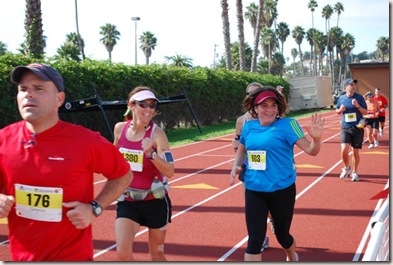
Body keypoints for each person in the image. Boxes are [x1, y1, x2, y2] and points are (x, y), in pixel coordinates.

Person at [0, 63, 133, 261]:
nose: (28, 94)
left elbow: (123, 174)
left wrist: (95, 207)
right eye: (23, 89)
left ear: (59, 99)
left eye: (38, 88)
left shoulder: (86, 141)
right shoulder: (3, 139)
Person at [229, 86, 324, 261]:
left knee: (282, 236)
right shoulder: (249, 127)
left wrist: (316, 139)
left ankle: (291, 256)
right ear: (255, 108)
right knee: (255, 239)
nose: (270, 109)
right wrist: (236, 165)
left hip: (282, 190)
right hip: (254, 189)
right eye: (264, 105)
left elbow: (312, 151)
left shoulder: (288, 125)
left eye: (273, 105)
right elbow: (242, 149)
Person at [113, 86, 175, 261]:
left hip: (155, 202)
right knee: (123, 253)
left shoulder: (158, 135)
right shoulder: (119, 129)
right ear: (131, 105)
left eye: (152, 105)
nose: (148, 109)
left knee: (156, 255)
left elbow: (170, 171)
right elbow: (113, 160)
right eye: (143, 104)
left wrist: (151, 155)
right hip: (128, 201)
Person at [232, 82, 272, 251]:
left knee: (271, 207)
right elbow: (237, 144)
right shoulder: (242, 120)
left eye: (257, 93)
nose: (252, 95)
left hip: (270, 167)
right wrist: (237, 161)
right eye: (250, 93)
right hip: (250, 168)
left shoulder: (270, 117)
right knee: (252, 206)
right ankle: (260, 238)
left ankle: (274, 219)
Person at [335, 78, 367, 181]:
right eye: (351, 84)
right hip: (345, 127)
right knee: (344, 150)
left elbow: (365, 112)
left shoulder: (359, 98)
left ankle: (355, 172)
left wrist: (358, 106)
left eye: (354, 84)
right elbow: (337, 111)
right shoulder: (341, 98)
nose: (353, 86)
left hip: (357, 128)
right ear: (345, 87)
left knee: (355, 152)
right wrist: (341, 110)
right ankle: (346, 167)